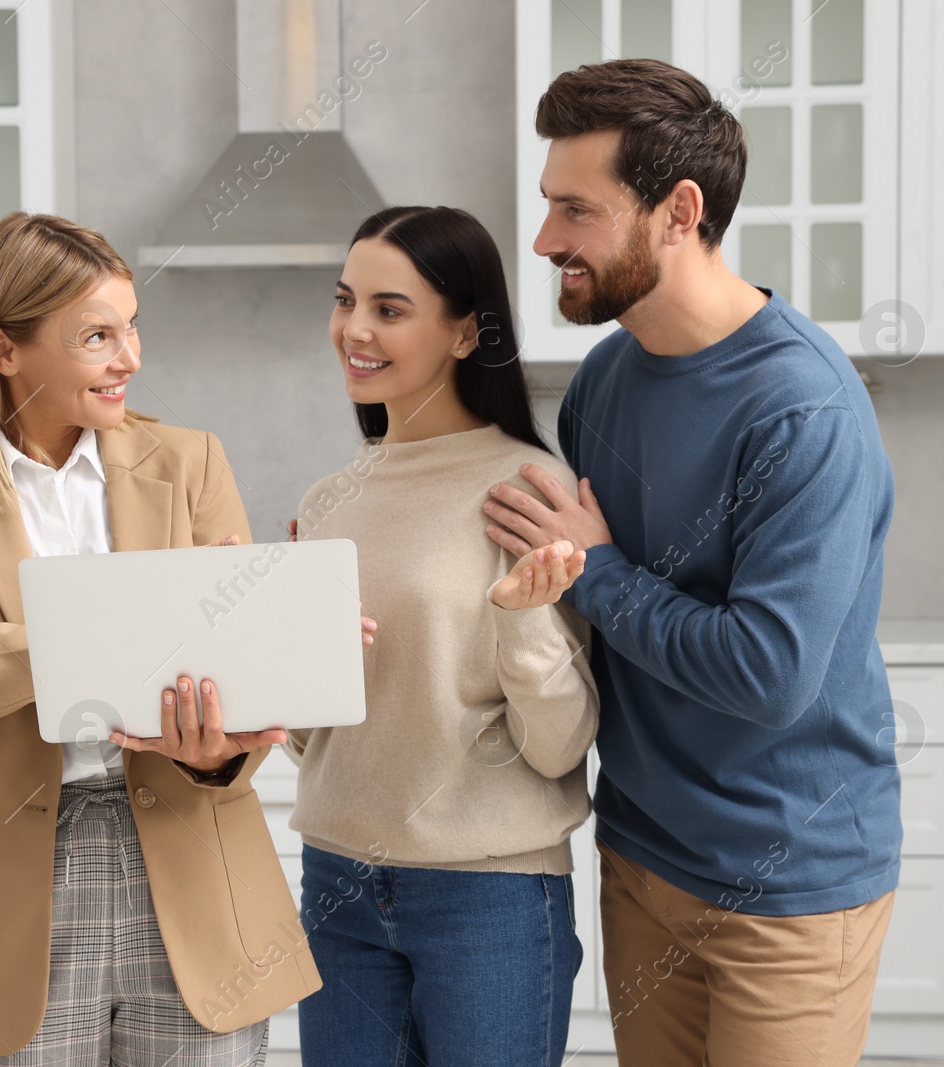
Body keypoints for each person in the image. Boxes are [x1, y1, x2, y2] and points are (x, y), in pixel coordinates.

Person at [483, 58, 900, 1066]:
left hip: (787, 882)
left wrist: (597, 567)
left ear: (678, 210)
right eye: (546, 207)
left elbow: (767, 672)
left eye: (574, 212)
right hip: (640, 858)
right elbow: (588, 616)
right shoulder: (604, 380)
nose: (544, 243)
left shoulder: (800, 409)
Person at [0, 211, 318, 1065]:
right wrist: (132, 617)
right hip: (17, 877)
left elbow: (237, 698)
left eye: (131, 327)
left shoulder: (190, 461)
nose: (130, 359)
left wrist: (221, 734)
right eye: (97, 336)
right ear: (6, 349)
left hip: (191, 860)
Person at [284, 204, 600, 1066]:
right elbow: (313, 740)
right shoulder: (327, 501)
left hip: (488, 893)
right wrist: (285, 652)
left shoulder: (528, 488)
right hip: (336, 879)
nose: (354, 328)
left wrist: (523, 614)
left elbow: (561, 745)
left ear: (465, 331)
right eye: (346, 300)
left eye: (390, 309)